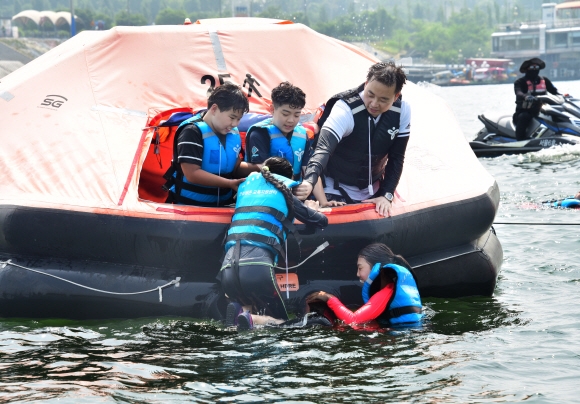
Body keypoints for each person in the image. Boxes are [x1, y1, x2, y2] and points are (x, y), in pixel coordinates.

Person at [218, 157, 328, 330]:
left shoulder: (246, 188)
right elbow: (321, 221)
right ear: (288, 178)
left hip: (228, 269)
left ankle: (242, 311)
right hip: (257, 269)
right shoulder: (284, 191)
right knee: (283, 325)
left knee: (247, 328)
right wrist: (313, 208)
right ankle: (252, 319)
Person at [294, 62, 411, 217]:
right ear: (366, 83)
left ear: (396, 96)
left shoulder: (402, 110)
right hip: (335, 187)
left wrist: (387, 194)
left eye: (383, 99)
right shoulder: (345, 109)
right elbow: (323, 149)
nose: (374, 104)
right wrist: (309, 181)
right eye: (370, 94)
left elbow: (397, 157)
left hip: (373, 189)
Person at [245, 81, 344, 208]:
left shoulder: (302, 134)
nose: (291, 120)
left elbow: (309, 169)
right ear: (272, 110)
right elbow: (262, 172)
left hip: (295, 197)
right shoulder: (259, 134)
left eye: (297, 114)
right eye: (285, 114)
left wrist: (324, 202)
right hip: (267, 198)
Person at [163, 83, 250, 206]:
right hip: (190, 210)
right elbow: (192, 174)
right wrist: (229, 183)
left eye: (239, 119)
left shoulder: (232, 133)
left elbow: (235, 168)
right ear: (214, 109)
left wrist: (259, 167)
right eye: (232, 117)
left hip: (224, 209)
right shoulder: (192, 131)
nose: (235, 124)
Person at [305, 243, 422, 326]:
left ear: (376, 267)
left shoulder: (387, 292)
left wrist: (329, 298)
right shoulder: (391, 288)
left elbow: (353, 320)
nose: (357, 274)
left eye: (360, 268)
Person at [513, 58, 559, 141]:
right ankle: (520, 140)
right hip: (525, 111)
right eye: (532, 68)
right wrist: (526, 96)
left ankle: (560, 135)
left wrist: (563, 97)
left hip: (543, 110)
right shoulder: (520, 82)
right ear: (527, 69)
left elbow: (554, 91)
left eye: (537, 68)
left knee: (558, 115)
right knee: (524, 117)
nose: (534, 70)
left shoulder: (545, 80)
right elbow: (518, 92)